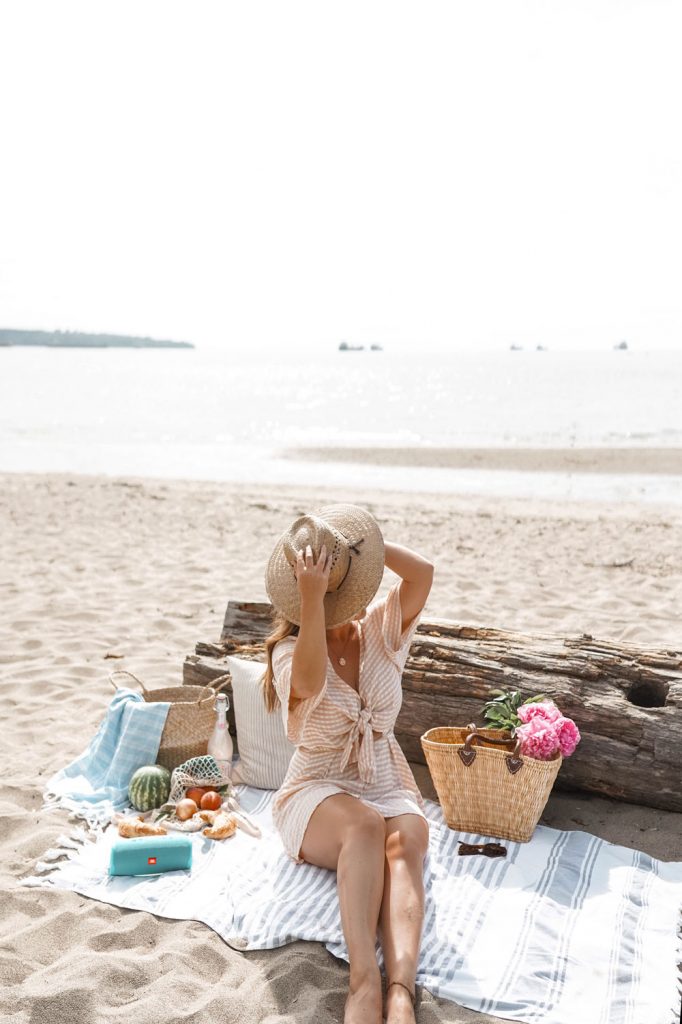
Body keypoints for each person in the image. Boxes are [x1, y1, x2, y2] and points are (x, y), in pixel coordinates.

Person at [262, 504, 434, 1024]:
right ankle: (364, 980)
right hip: (316, 786)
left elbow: (423, 573)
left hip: (383, 774)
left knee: (405, 839)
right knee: (363, 825)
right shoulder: (289, 651)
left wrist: (361, 548)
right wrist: (313, 599)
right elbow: (311, 684)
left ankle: (401, 988)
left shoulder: (380, 628)